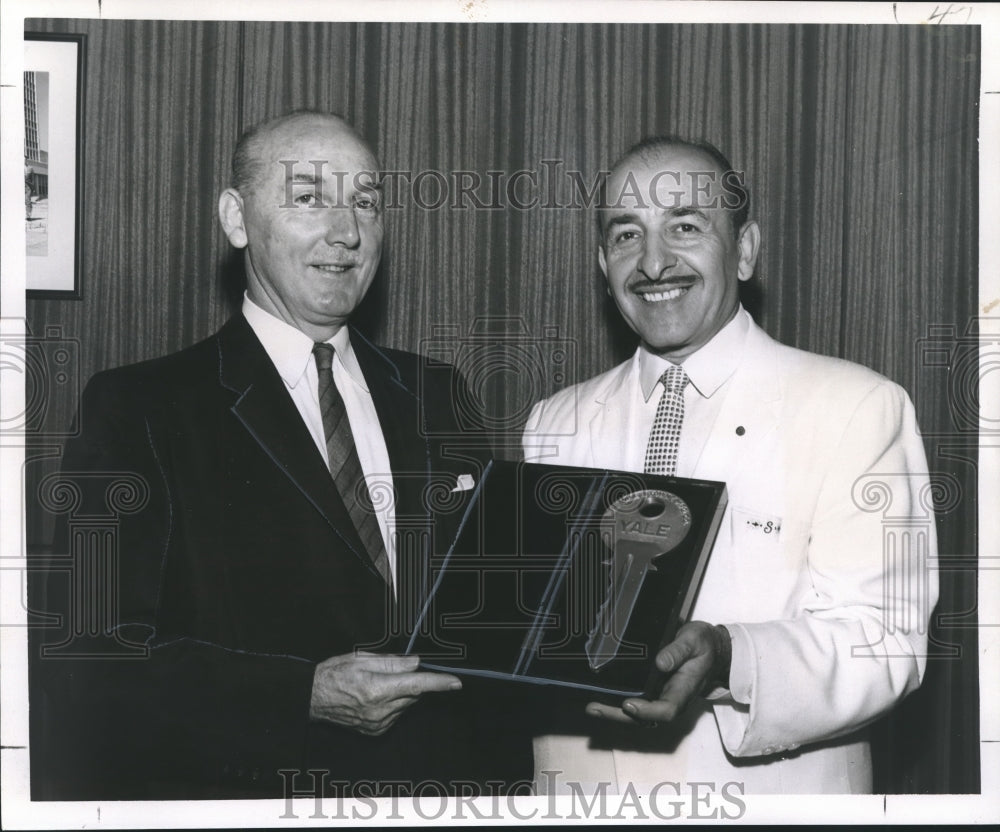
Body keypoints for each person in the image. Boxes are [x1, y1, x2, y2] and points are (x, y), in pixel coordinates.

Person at [32, 111, 531, 799]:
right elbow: (88, 663)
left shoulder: (439, 396)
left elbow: (496, 629)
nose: (347, 232)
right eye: (309, 197)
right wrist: (299, 694)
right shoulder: (139, 407)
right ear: (237, 219)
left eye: (364, 202)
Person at [522, 135, 937, 794]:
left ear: (744, 251)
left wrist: (730, 656)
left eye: (684, 226)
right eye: (627, 235)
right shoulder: (554, 421)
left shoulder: (857, 406)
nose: (654, 262)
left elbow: (884, 643)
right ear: (603, 265)